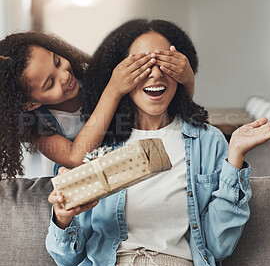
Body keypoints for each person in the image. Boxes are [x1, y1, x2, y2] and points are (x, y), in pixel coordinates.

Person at [42, 19, 270, 266]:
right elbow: (69, 261)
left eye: (165, 62)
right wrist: (63, 219)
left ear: (180, 70)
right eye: (141, 64)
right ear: (121, 74)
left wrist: (235, 158)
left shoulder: (207, 142)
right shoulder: (95, 144)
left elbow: (219, 246)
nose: (154, 72)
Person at [0, 30, 194, 179]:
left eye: (57, 62)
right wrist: (113, 91)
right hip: (89, 176)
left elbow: (174, 110)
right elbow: (76, 158)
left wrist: (188, 79)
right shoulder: (36, 126)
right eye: (50, 83)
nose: (65, 76)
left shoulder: (90, 74)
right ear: (31, 104)